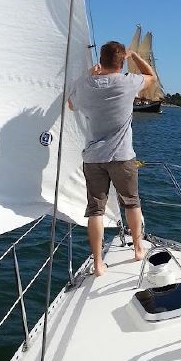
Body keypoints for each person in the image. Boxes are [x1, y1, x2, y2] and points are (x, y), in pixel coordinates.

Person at [68, 41, 157, 276]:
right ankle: (138, 249)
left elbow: (70, 103)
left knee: (95, 210)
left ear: (101, 59)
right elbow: (151, 76)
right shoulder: (129, 82)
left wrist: (89, 74)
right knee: (132, 202)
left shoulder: (87, 85)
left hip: (93, 158)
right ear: (122, 61)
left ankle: (98, 264)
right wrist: (136, 55)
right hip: (122, 157)